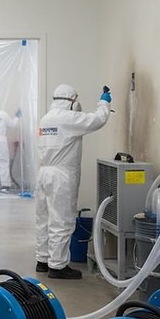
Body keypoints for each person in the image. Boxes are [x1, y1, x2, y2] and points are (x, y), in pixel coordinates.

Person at [35, 84, 111, 279]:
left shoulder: (46, 119)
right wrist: (103, 102)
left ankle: (42, 260)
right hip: (61, 175)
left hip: (43, 173)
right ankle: (58, 266)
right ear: (70, 100)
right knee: (61, 220)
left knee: (44, 218)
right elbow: (98, 120)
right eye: (75, 100)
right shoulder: (68, 119)